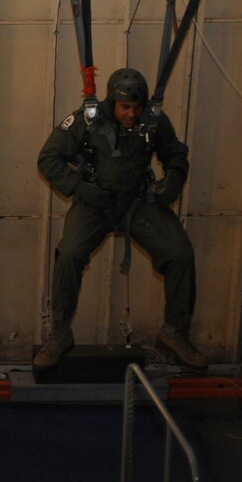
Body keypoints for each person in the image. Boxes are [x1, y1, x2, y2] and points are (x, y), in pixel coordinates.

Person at [35, 68, 208, 371]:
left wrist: (174, 178)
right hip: (95, 203)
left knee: (180, 254)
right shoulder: (86, 119)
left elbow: (174, 152)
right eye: (125, 108)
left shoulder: (152, 120)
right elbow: (48, 159)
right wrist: (82, 189)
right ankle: (60, 334)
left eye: (136, 108)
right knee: (70, 254)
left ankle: (174, 333)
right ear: (112, 101)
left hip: (138, 202)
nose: (131, 114)